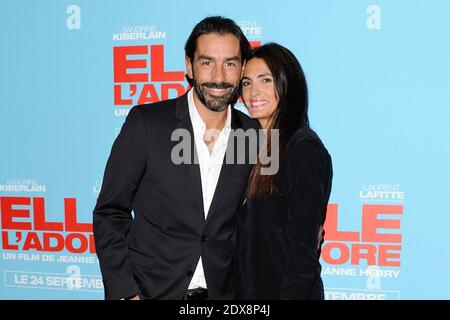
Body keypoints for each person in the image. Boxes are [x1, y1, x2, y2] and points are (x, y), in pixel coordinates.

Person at [93, 16, 259, 300]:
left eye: (230, 63)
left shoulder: (252, 134)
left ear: (242, 68)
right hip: (150, 292)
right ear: (189, 66)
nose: (219, 76)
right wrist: (126, 293)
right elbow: (110, 212)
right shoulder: (147, 124)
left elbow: (259, 218)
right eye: (207, 62)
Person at [233, 43, 333, 300]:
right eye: (246, 82)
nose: (253, 91)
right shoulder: (249, 146)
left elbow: (303, 249)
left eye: (265, 80)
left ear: (287, 83)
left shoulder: (303, 148)